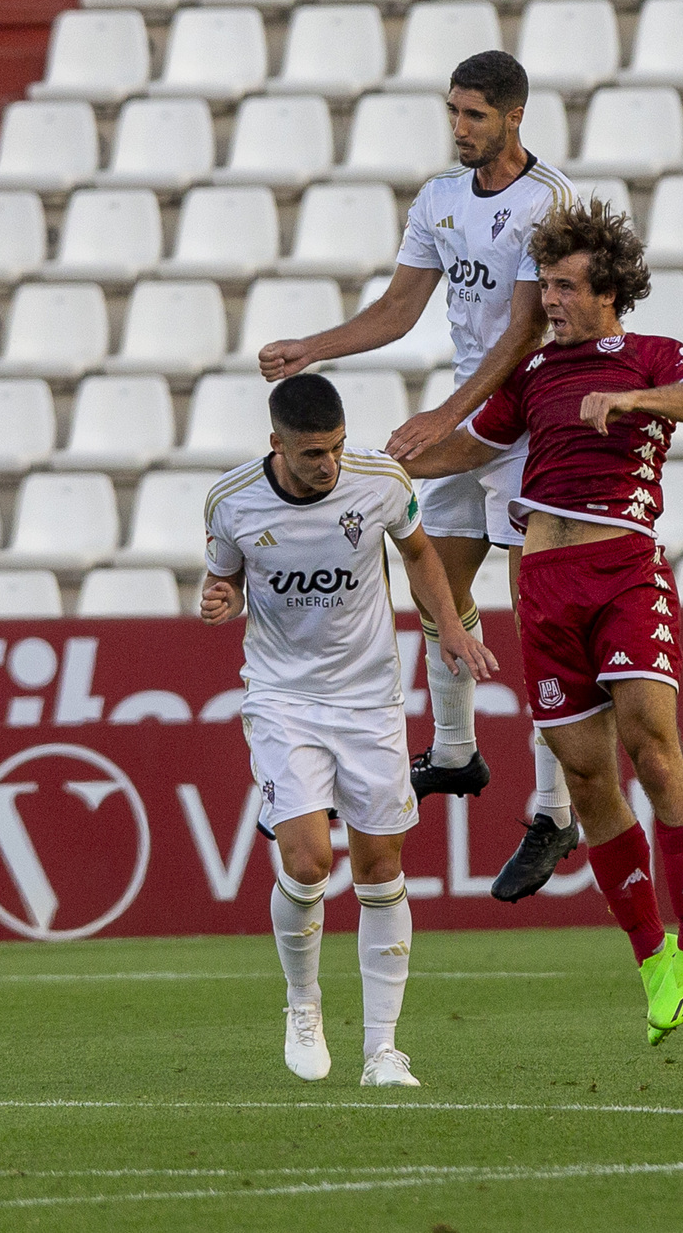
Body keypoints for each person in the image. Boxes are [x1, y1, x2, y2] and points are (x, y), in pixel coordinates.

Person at [259, 49, 580, 903]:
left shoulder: (546, 202)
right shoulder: (439, 199)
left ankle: (553, 810)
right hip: (473, 416)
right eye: (452, 113)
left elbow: (524, 335)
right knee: (436, 581)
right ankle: (453, 750)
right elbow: (401, 308)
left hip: (526, 423)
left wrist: (447, 416)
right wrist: (313, 346)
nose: (459, 128)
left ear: (513, 116)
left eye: (473, 115)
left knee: (536, 619)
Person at [402, 199, 683, 1044]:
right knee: (585, 777)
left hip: (623, 568)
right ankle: (651, 954)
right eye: (543, 284)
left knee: (652, 745)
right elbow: (472, 447)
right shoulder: (535, 374)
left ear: (610, 289)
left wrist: (633, 400)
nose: (547, 300)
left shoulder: (652, 356)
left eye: (565, 286)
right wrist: (385, 468)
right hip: (543, 580)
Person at [201, 372, 497, 1085]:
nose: (327, 464)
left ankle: (381, 1051)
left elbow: (420, 552)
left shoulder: (380, 482)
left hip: (369, 700)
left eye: (334, 448)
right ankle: (303, 1005)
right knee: (307, 862)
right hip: (282, 697)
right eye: (311, 454)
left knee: (380, 869)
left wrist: (450, 627)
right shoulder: (230, 501)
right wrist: (219, 598)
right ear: (277, 444)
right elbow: (225, 580)